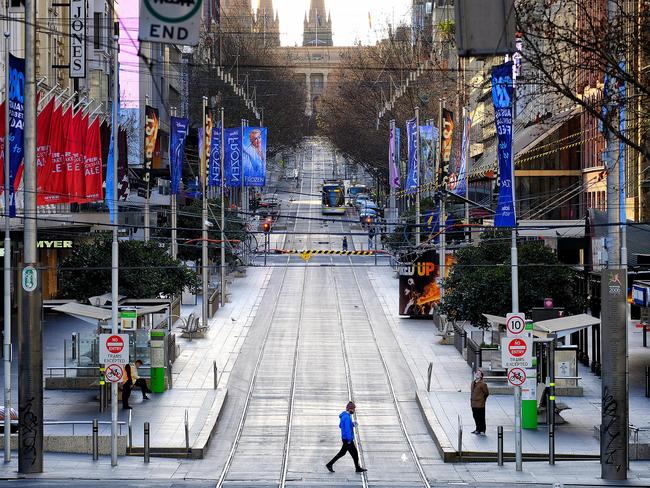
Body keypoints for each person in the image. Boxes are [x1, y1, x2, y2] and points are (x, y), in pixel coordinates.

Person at [326, 401, 367, 473]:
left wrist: (352, 424)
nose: (354, 411)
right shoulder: (347, 417)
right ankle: (329, 464)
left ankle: (357, 468)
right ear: (349, 409)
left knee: (347, 453)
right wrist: (349, 440)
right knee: (353, 453)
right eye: (353, 409)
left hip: (345, 438)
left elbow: (341, 426)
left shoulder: (344, 416)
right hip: (348, 439)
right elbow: (347, 429)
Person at [471, 369, 489, 435]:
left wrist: (483, 400)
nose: (477, 374)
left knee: (481, 417)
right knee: (475, 416)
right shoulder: (473, 382)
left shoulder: (483, 384)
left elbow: (486, 393)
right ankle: (477, 429)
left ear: (481, 376)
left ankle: (482, 430)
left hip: (480, 403)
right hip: (473, 403)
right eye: (476, 373)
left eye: (479, 373)